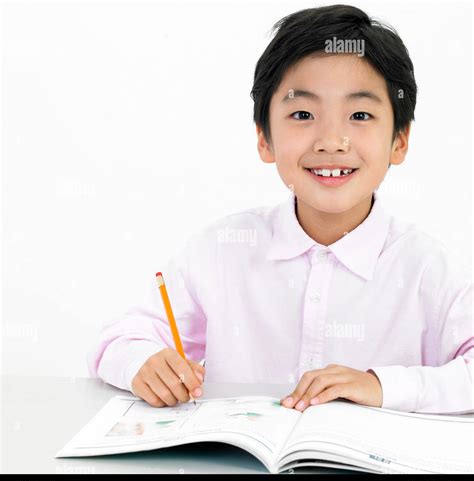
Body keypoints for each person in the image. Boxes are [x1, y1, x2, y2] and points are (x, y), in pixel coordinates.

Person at [87, 5, 473, 414]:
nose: (331, 141)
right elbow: (119, 338)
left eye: (360, 115)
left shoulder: (426, 268)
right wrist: (142, 364)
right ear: (265, 139)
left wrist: (381, 386)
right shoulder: (222, 250)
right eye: (303, 114)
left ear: (399, 140)